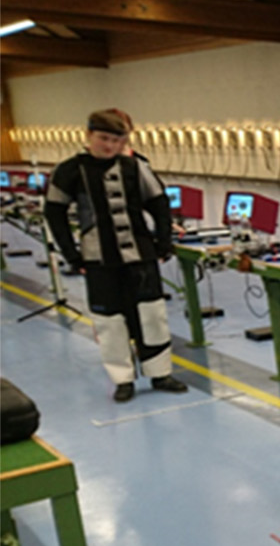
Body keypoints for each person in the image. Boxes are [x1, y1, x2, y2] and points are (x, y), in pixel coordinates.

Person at [44, 108, 189, 402]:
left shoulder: (135, 167)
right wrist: (71, 254)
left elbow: (159, 204)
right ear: (89, 136)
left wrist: (164, 243)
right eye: (103, 138)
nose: (109, 145)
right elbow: (54, 213)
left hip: (141, 256)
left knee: (152, 316)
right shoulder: (69, 170)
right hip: (98, 259)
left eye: (116, 140)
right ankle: (122, 379)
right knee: (109, 321)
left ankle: (160, 372)